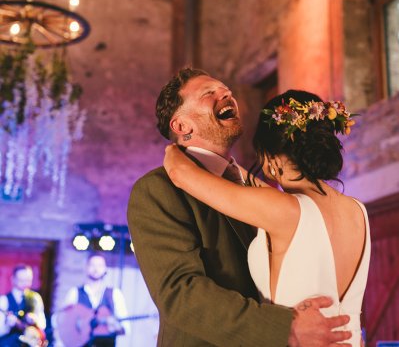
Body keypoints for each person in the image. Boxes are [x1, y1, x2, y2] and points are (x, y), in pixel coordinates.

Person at [127, 67, 353, 347]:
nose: (226, 95)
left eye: (227, 91)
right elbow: (180, 294)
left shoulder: (256, 189)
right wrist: (286, 329)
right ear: (182, 126)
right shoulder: (157, 190)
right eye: (209, 93)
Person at [55, 254, 129, 347]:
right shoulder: (75, 293)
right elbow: (62, 322)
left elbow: (125, 327)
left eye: (100, 265)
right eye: (92, 265)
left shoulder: (114, 294)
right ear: (86, 268)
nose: (96, 269)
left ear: (105, 269)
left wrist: (114, 326)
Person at [0, 264, 47, 347]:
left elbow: (42, 324)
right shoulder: (4, 300)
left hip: (31, 343)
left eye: (28, 280)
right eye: (21, 280)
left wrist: (34, 320)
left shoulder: (35, 298)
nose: (25, 283)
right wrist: (8, 324)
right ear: (13, 279)